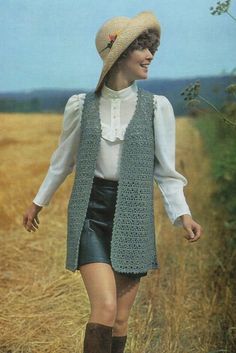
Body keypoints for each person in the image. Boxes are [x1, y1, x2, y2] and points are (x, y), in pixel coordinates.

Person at [23, 11, 203, 353]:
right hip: (90, 213)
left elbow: (165, 172)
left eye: (152, 49)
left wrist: (183, 214)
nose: (151, 55)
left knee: (120, 319)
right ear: (119, 54)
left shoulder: (157, 108)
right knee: (104, 309)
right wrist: (38, 202)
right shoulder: (81, 105)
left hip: (133, 217)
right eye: (143, 49)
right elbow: (63, 161)